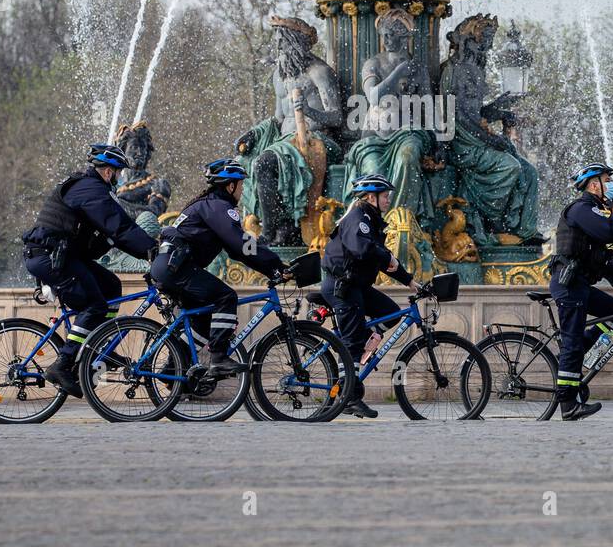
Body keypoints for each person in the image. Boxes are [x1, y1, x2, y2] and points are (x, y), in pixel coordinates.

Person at [22, 144, 159, 398]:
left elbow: (110, 234)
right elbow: (119, 226)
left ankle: (97, 343)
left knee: (111, 286)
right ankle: (63, 364)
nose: (118, 179)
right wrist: (152, 249)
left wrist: (145, 249)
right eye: (118, 173)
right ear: (107, 172)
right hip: (49, 257)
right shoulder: (90, 189)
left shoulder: (89, 188)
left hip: (59, 256)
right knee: (94, 305)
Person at [151, 158, 287, 377]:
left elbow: (236, 251)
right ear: (230, 186)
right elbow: (242, 243)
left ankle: (174, 371)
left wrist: (271, 269)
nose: (242, 190)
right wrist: (276, 263)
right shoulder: (219, 207)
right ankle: (219, 359)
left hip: (170, 267)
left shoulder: (209, 205)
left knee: (204, 321)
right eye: (241, 185)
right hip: (176, 269)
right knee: (226, 297)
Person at [549, 163, 613, 421]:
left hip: (580, 286)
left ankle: (580, 348)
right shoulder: (581, 209)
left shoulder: (593, 213)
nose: (610, 184)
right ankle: (568, 405)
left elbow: (605, 263)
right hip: (569, 285)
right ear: (594, 184)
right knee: (571, 343)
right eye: (607, 179)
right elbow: (610, 233)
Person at [320, 173, 419, 418]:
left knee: (391, 313)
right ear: (370, 198)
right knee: (352, 344)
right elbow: (362, 249)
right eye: (385, 196)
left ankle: (366, 338)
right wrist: (387, 256)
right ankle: (349, 397)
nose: (388, 201)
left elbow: (380, 257)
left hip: (356, 286)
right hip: (342, 287)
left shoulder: (371, 221)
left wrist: (410, 282)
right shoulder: (358, 218)